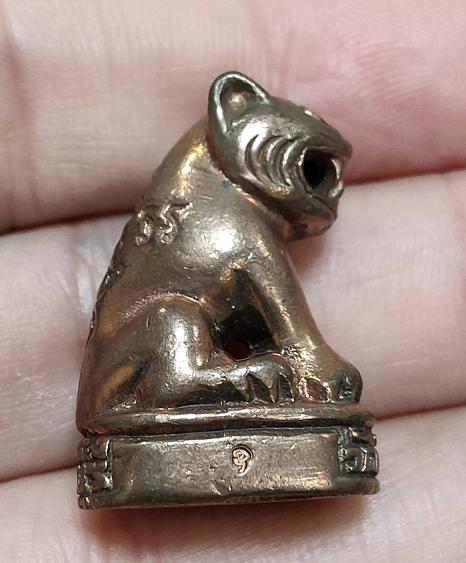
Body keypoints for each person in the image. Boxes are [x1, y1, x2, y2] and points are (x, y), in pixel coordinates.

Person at [0, 1, 465, 561]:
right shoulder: (231, 218)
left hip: (149, 369)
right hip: (141, 361)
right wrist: (313, 361)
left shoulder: (231, 213)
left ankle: (199, 379)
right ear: (234, 112)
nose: (334, 188)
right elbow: (270, 292)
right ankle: (187, 380)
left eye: (333, 176)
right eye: (318, 168)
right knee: (170, 316)